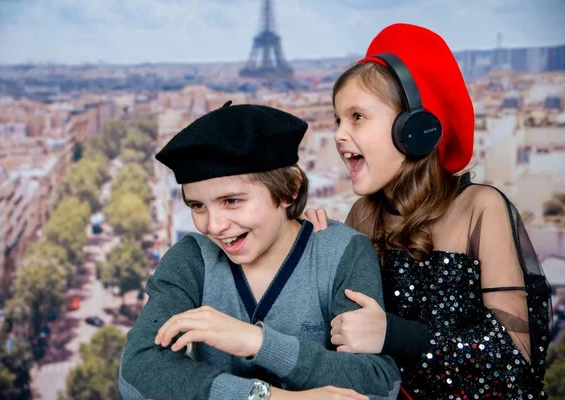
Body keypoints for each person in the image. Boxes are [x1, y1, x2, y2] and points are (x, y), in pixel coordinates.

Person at [305, 23, 552, 399]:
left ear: (414, 126)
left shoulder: (481, 209)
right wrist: (315, 255)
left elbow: (514, 361)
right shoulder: (362, 217)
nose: (339, 134)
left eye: (357, 117)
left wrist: (395, 334)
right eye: (338, 119)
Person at [118, 101, 401, 400]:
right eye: (197, 206)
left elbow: (380, 384)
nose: (214, 226)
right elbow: (137, 370)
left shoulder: (344, 253)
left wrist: (256, 342)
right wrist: (271, 397)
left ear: (289, 189)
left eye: (231, 201)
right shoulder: (190, 259)